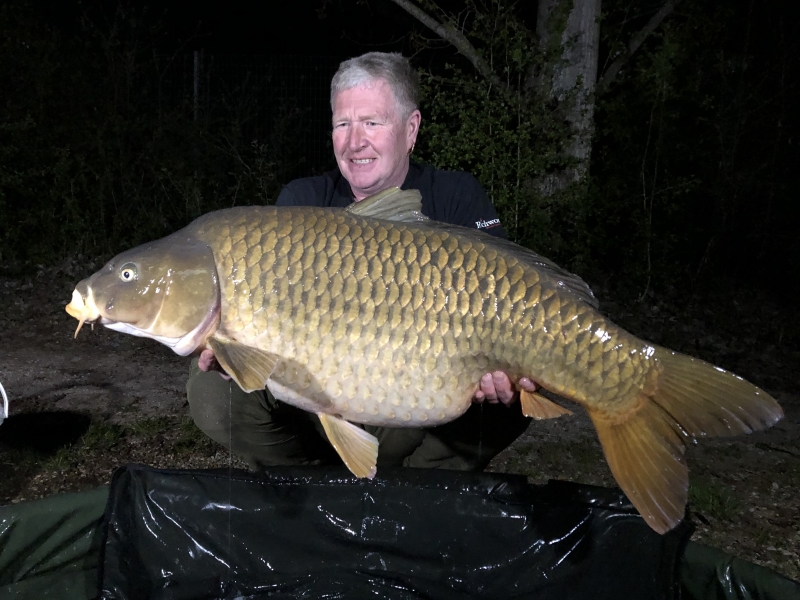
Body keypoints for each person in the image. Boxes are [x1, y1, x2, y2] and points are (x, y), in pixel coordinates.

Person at [186, 52, 536, 472]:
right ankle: (313, 485)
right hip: (322, 409)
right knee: (211, 390)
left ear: (411, 129)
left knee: (524, 385)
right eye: (342, 124)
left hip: (421, 409)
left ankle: (417, 491)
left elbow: (515, 303)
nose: (355, 142)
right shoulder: (302, 204)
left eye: (372, 122)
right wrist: (233, 358)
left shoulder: (457, 197)